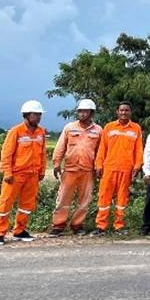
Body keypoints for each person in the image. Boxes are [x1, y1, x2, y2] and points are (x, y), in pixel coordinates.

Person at [0, 100, 47, 246]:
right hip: (15, 175)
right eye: (35, 114)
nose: (38, 117)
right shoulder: (15, 131)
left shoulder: (41, 132)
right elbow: (6, 154)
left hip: (33, 175)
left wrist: (42, 171)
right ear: (27, 115)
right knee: (5, 203)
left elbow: (42, 153)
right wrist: (7, 172)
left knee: (27, 204)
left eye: (39, 115)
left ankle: (19, 231)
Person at [49, 99, 101, 237]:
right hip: (70, 169)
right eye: (80, 111)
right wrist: (56, 163)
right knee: (63, 198)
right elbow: (60, 146)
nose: (82, 114)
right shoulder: (69, 127)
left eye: (85, 111)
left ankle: (77, 225)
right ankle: (58, 225)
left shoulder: (98, 130)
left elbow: (101, 151)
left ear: (92, 113)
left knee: (84, 200)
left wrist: (99, 167)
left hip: (88, 170)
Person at [92, 101, 144, 236]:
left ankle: (118, 226)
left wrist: (137, 166)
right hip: (108, 168)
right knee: (104, 197)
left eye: (126, 110)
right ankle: (101, 226)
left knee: (122, 199)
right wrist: (98, 165)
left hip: (126, 168)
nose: (124, 112)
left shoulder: (136, 128)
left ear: (130, 112)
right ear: (117, 112)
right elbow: (102, 148)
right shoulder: (109, 127)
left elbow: (139, 149)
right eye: (121, 110)